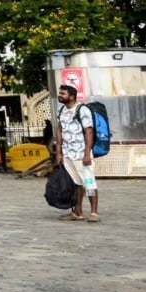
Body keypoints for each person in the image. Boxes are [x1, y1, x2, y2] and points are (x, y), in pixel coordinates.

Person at [54, 85, 100, 222]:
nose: (60, 95)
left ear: (72, 96)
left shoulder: (82, 110)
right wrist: (59, 152)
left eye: (63, 93)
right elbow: (59, 130)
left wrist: (87, 154)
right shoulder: (61, 110)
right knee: (77, 183)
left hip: (81, 154)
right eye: (60, 93)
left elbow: (89, 132)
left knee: (89, 182)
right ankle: (78, 212)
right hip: (68, 154)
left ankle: (94, 212)